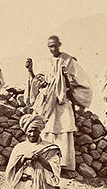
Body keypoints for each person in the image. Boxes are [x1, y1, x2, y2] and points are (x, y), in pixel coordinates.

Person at [25, 35, 92, 171]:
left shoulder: (68, 60)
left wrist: (65, 76)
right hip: (48, 103)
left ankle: (64, 165)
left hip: (62, 102)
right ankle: (47, 163)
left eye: (55, 46)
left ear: (59, 44)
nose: (53, 49)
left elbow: (77, 82)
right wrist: (30, 70)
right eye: (50, 46)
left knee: (64, 131)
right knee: (47, 130)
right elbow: (38, 81)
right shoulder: (45, 62)